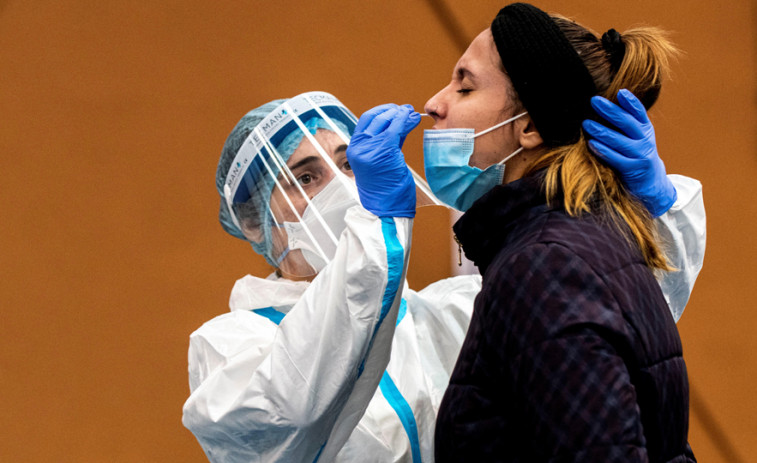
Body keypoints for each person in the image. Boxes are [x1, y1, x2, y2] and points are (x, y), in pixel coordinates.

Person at [182, 88, 704, 461]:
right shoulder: (232, 347)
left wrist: (655, 211)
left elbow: (611, 315)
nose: (342, 187)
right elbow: (289, 416)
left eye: (347, 164)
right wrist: (380, 224)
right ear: (254, 223)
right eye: (305, 177)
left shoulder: (451, 312)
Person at [409, 3, 697, 461]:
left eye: (464, 86)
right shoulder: (586, 241)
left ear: (530, 126)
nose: (433, 104)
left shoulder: (545, 266)